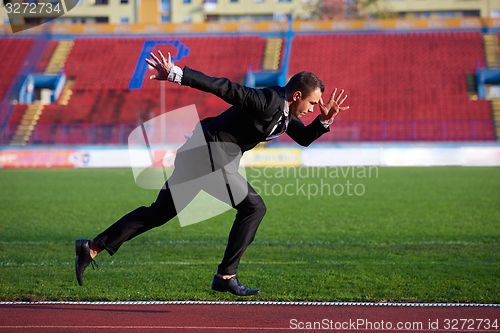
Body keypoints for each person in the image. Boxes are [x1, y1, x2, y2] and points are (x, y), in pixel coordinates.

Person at [75, 50, 349, 296]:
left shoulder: (286, 114)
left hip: (201, 155)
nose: (314, 108)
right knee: (254, 208)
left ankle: (92, 247)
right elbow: (226, 88)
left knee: (158, 213)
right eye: (313, 104)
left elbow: (302, 137)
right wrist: (176, 74)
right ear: (297, 95)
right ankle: (226, 275)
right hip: (208, 154)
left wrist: (324, 120)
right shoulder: (268, 100)